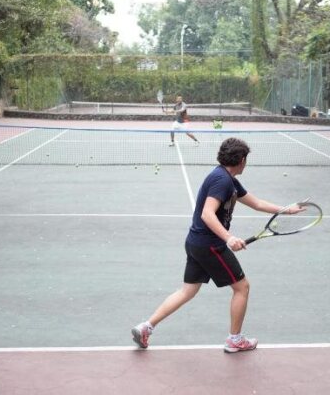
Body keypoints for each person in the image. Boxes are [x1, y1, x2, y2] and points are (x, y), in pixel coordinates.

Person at [131, 137, 305, 353]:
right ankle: (235, 340)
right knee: (242, 287)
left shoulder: (227, 178)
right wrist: (229, 238)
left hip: (195, 242)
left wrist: (286, 209)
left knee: (187, 291)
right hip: (210, 245)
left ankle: (146, 327)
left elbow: (257, 203)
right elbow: (207, 213)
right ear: (242, 160)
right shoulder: (222, 181)